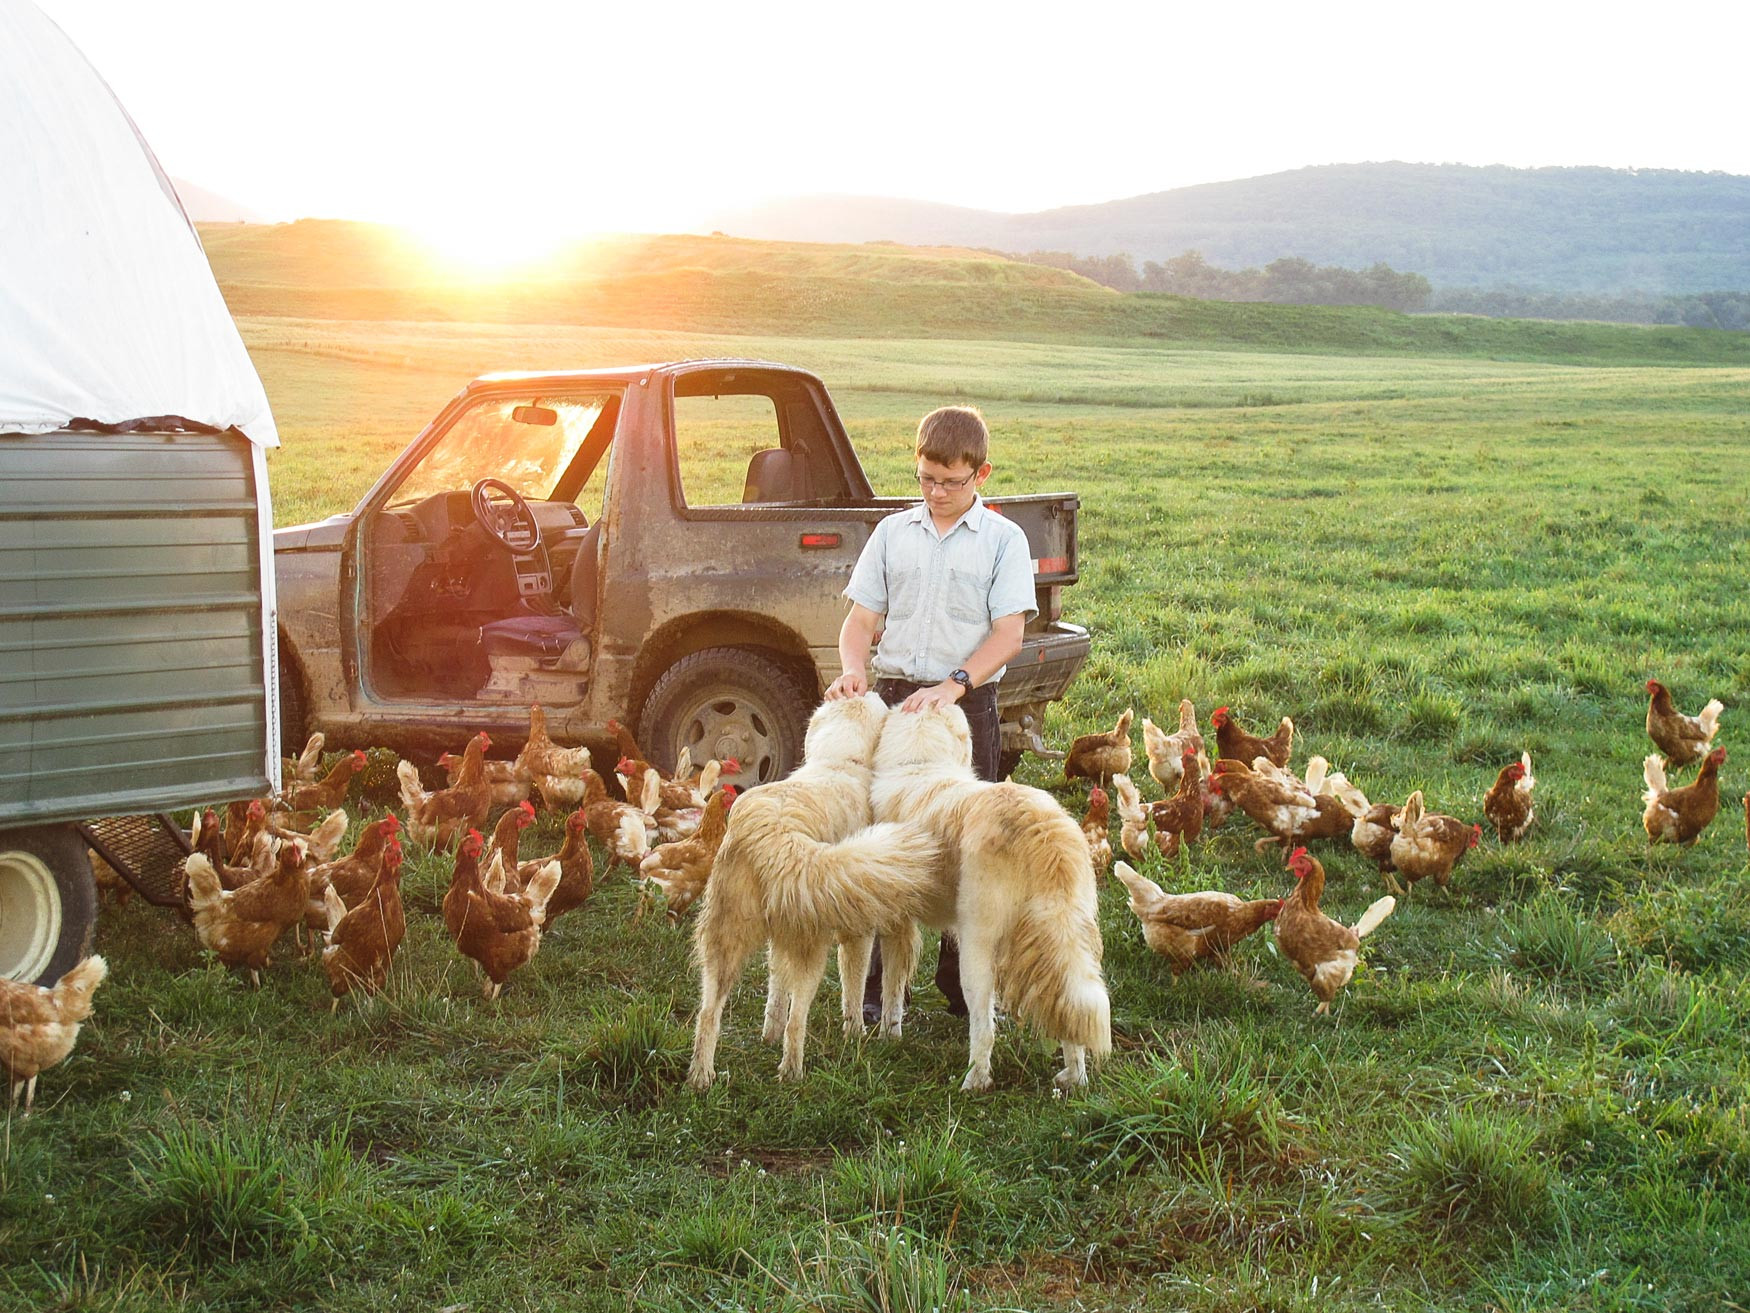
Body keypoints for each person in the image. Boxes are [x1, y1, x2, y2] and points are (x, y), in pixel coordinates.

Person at [824, 404, 1038, 1019]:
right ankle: (869, 990)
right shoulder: (893, 533)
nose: (937, 493)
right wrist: (854, 669)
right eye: (926, 479)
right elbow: (860, 620)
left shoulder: (1004, 540)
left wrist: (954, 685)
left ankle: (965, 989)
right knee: (878, 837)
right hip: (893, 700)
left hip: (964, 706)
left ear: (982, 474)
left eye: (951, 481)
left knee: (969, 847)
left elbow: (1008, 635)